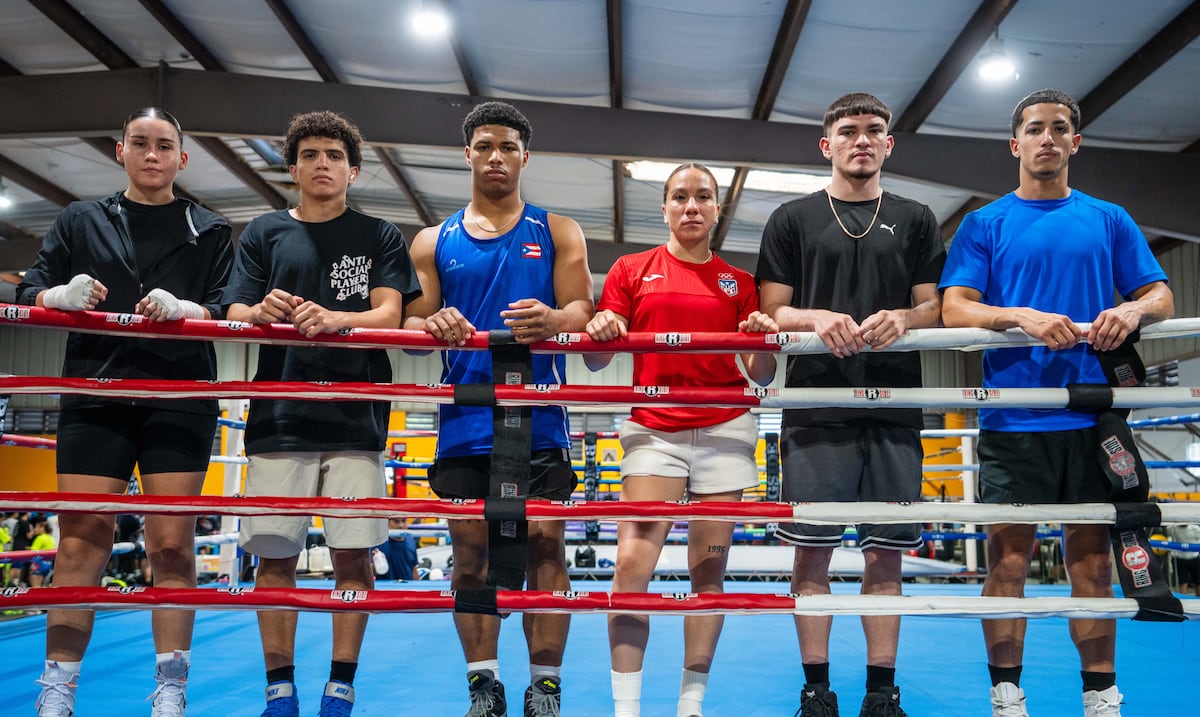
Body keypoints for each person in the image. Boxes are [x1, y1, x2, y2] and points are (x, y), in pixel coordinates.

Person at [939, 88, 1174, 717]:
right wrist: (1017, 316)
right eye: (1035, 129)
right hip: (1015, 417)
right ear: (1016, 144)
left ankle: (1100, 693)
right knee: (1008, 561)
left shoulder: (1110, 218)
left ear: (1076, 142)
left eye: (1060, 128)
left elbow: (1160, 296)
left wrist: (1130, 308)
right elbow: (954, 306)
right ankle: (1006, 691)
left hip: (1093, 416)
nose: (1048, 138)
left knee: (1093, 565)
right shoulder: (984, 222)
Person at [17, 107, 233, 717]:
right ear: (120, 151)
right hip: (96, 393)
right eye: (140, 143)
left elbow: (223, 306)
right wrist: (59, 297)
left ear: (182, 159)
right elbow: (27, 290)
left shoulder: (209, 227)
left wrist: (186, 306)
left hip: (179, 398)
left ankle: (172, 691)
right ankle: (57, 690)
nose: (152, 154)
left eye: (164, 145)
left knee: (171, 546)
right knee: (81, 540)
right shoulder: (79, 220)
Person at [223, 110, 421, 717]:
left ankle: (340, 688)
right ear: (292, 167)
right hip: (279, 415)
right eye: (310, 155)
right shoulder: (262, 232)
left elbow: (391, 314)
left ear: (353, 169)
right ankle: (279, 691)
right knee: (274, 555)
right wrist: (259, 313)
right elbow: (232, 309)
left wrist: (338, 320)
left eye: (334, 155)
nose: (322, 165)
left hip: (356, 418)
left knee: (353, 554)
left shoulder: (379, 235)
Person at [756, 92, 946, 717]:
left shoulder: (917, 217)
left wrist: (904, 317)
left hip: (896, 401)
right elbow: (775, 311)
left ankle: (880, 692)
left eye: (873, 131)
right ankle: (816, 689)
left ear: (888, 144)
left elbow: (934, 306)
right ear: (827, 144)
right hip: (816, 403)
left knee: (884, 551)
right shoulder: (792, 218)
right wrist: (819, 317)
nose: (861, 140)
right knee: (811, 550)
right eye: (848, 131)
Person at [404, 100, 594, 717]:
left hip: (539, 419)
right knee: (470, 554)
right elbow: (413, 316)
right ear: (467, 154)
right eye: (484, 146)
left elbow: (583, 312)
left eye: (508, 147)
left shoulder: (558, 229)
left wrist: (555, 320)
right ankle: (484, 686)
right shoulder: (434, 241)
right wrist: (431, 318)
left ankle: (545, 688)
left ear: (524, 156)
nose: (496, 156)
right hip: (464, 422)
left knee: (545, 547)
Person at [584, 163, 777, 717]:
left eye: (703, 198)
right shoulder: (631, 268)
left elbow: (760, 374)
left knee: (708, 570)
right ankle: (627, 709)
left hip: (725, 430)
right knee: (630, 565)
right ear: (664, 208)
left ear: (718, 209)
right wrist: (600, 328)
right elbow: (597, 360)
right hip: (655, 432)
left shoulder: (739, 283)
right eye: (679, 197)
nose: (691, 206)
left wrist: (763, 340)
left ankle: (690, 705)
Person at [372, 517, 420, 581]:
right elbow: (369, 573)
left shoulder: (410, 541)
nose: (401, 525)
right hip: (386, 589)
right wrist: (376, 563)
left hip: (407, 588)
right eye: (396, 521)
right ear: (387, 523)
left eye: (404, 521)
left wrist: (417, 587)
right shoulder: (378, 543)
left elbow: (413, 569)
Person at [1167, 522, 1200, 596]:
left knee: (1198, 582)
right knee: (1183, 582)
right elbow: (1167, 536)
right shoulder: (1172, 528)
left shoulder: (1196, 529)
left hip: (1194, 557)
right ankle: (1184, 601)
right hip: (1179, 558)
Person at [29, 514, 57, 588]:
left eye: (36, 527)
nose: (35, 529)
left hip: (38, 564)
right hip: (48, 565)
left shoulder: (40, 538)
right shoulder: (51, 538)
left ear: (42, 528)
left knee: (35, 588)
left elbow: (32, 552)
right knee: (44, 587)